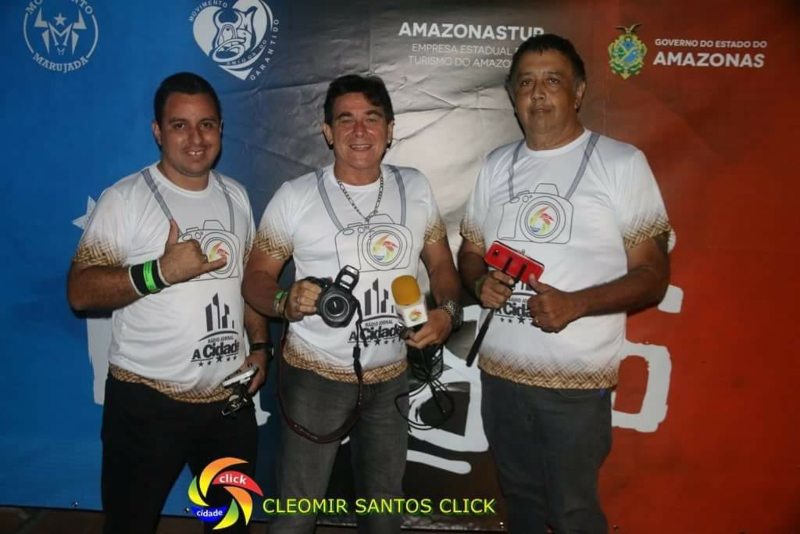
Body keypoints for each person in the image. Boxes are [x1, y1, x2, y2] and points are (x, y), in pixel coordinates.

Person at [458, 34, 671, 533]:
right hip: (501, 378)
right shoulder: (496, 165)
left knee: (574, 512)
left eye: (552, 81)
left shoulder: (621, 163)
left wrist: (577, 303)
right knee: (521, 505)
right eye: (526, 83)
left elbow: (653, 276)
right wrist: (478, 283)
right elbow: (469, 252)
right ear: (512, 94)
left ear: (578, 92)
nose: (537, 93)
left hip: (574, 385)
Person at [242, 74, 461, 533]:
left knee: (384, 509)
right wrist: (284, 301)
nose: (359, 131)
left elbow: (442, 265)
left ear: (390, 129)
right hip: (315, 376)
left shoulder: (415, 187)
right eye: (346, 120)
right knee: (297, 511)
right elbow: (255, 279)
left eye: (371, 118)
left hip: (392, 376)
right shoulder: (296, 196)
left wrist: (447, 312)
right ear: (327, 131)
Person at [67, 72, 269, 534]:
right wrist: (158, 272)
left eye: (207, 124)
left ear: (220, 129)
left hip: (228, 404)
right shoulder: (126, 199)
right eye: (180, 125)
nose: (196, 138)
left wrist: (260, 346)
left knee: (228, 525)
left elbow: (248, 284)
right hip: (146, 406)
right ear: (158, 131)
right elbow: (80, 291)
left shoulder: (236, 196)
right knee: (131, 524)